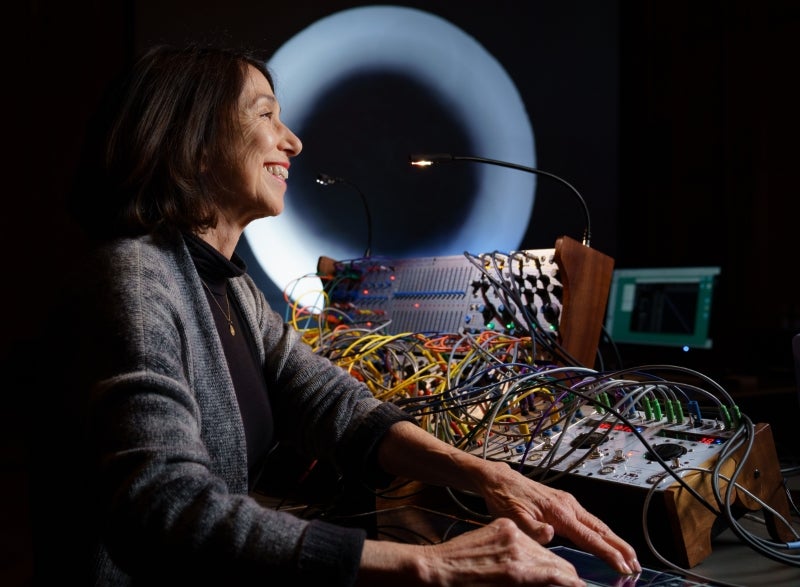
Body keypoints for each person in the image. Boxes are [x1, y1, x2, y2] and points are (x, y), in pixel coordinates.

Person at [31, 43, 641, 586]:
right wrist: (431, 565)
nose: (292, 140)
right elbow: (165, 507)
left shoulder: (228, 287)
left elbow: (332, 404)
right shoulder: (135, 281)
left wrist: (491, 475)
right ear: (192, 141)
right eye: (265, 115)